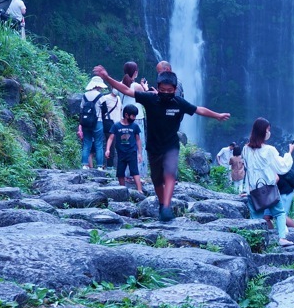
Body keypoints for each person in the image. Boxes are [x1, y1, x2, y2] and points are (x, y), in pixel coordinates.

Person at [93, 64, 230, 222]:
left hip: (171, 146)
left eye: (169, 91)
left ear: (175, 89)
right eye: (162, 90)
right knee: (157, 180)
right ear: (158, 87)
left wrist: (217, 116)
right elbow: (126, 90)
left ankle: (166, 206)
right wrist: (107, 77)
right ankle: (162, 203)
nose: (166, 93)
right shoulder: (150, 99)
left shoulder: (179, 103)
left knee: (170, 174)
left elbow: (199, 109)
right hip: (154, 147)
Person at [242, 117, 294, 246]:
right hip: (268, 189)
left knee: (256, 217)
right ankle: (282, 238)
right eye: (268, 130)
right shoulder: (269, 150)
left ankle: (257, 243)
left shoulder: (245, 149)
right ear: (263, 132)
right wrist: (290, 152)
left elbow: (248, 170)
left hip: (253, 190)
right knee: (280, 213)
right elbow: (282, 167)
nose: (269, 132)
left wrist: (245, 190)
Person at [106, 104, 144, 194]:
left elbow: (138, 140)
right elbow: (111, 138)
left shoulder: (135, 126)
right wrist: (107, 149)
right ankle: (122, 190)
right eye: (133, 115)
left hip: (132, 152)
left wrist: (139, 153)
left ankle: (139, 190)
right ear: (126, 115)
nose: (134, 118)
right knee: (120, 172)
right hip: (121, 152)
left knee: (134, 171)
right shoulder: (116, 126)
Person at [119, 61, 149, 171]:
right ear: (135, 72)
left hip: (124, 118)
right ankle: (138, 172)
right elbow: (148, 97)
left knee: (126, 144)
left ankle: (126, 173)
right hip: (137, 118)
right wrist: (145, 87)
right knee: (138, 145)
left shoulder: (119, 85)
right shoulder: (137, 86)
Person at [78, 75, 110, 170]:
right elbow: (105, 110)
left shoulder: (85, 95)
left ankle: (84, 164)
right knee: (98, 143)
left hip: (86, 122)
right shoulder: (101, 96)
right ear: (99, 86)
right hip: (98, 122)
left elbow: (81, 109)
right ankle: (99, 166)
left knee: (87, 143)